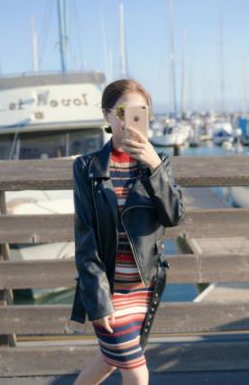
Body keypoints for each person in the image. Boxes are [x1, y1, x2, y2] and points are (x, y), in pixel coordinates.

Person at [70, 79, 185, 385]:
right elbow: (85, 240)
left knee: (109, 360)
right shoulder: (87, 167)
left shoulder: (158, 163)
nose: (130, 120)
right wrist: (99, 300)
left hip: (144, 287)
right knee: (136, 371)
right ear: (107, 115)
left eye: (140, 111)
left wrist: (154, 166)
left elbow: (174, 216)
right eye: (123, 112)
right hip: (108, 288)